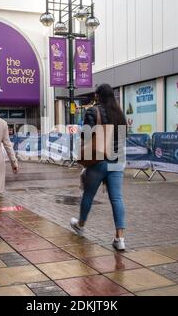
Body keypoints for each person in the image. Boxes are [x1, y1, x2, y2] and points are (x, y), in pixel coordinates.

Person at [70, 84, 128, 251]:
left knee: (88, 194)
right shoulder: (119, 114)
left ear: (98, 96)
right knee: (117, 198)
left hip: (98, 160)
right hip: (117, 160)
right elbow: (124, 137)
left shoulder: (93, 111)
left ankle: (80, 226)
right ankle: (120, 238)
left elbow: (86, 135)